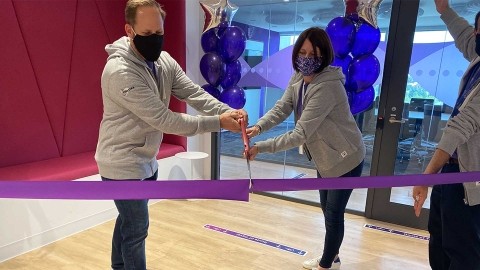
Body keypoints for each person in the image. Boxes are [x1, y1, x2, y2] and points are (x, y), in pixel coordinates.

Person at [94, 1, 247, 269]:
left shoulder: (162, 61)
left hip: (145, 159)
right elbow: (166, 120)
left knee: (128, 222)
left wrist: (229, 111)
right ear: (129, 30)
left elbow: (194, 93)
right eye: (148, 34)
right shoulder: (120, 71)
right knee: (137, 229)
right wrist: (218, 122)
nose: (155, 40)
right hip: (121, 163)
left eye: (159, 33)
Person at [245, 27, 365, 270]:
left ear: (324, 55)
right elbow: (282, 108)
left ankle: (326, 265)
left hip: (346, 158)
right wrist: (257, 128)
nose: (307, 58)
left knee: (333, 215)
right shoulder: (298, 77)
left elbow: (300, 133)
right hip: (325, 158)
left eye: (314, 53)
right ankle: (333, 256)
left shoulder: (327, 86)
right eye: (303, 52)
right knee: (326, 211)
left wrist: (261, 147)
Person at [412, 0, 480, 269]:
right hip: (451, 172)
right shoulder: (477, 60)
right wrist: (444, 9)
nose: (476, 37)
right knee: (439, 241)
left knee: (462, 251)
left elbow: (461, 125)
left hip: (467, 179)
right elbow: (465, 36)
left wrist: (425, 177)